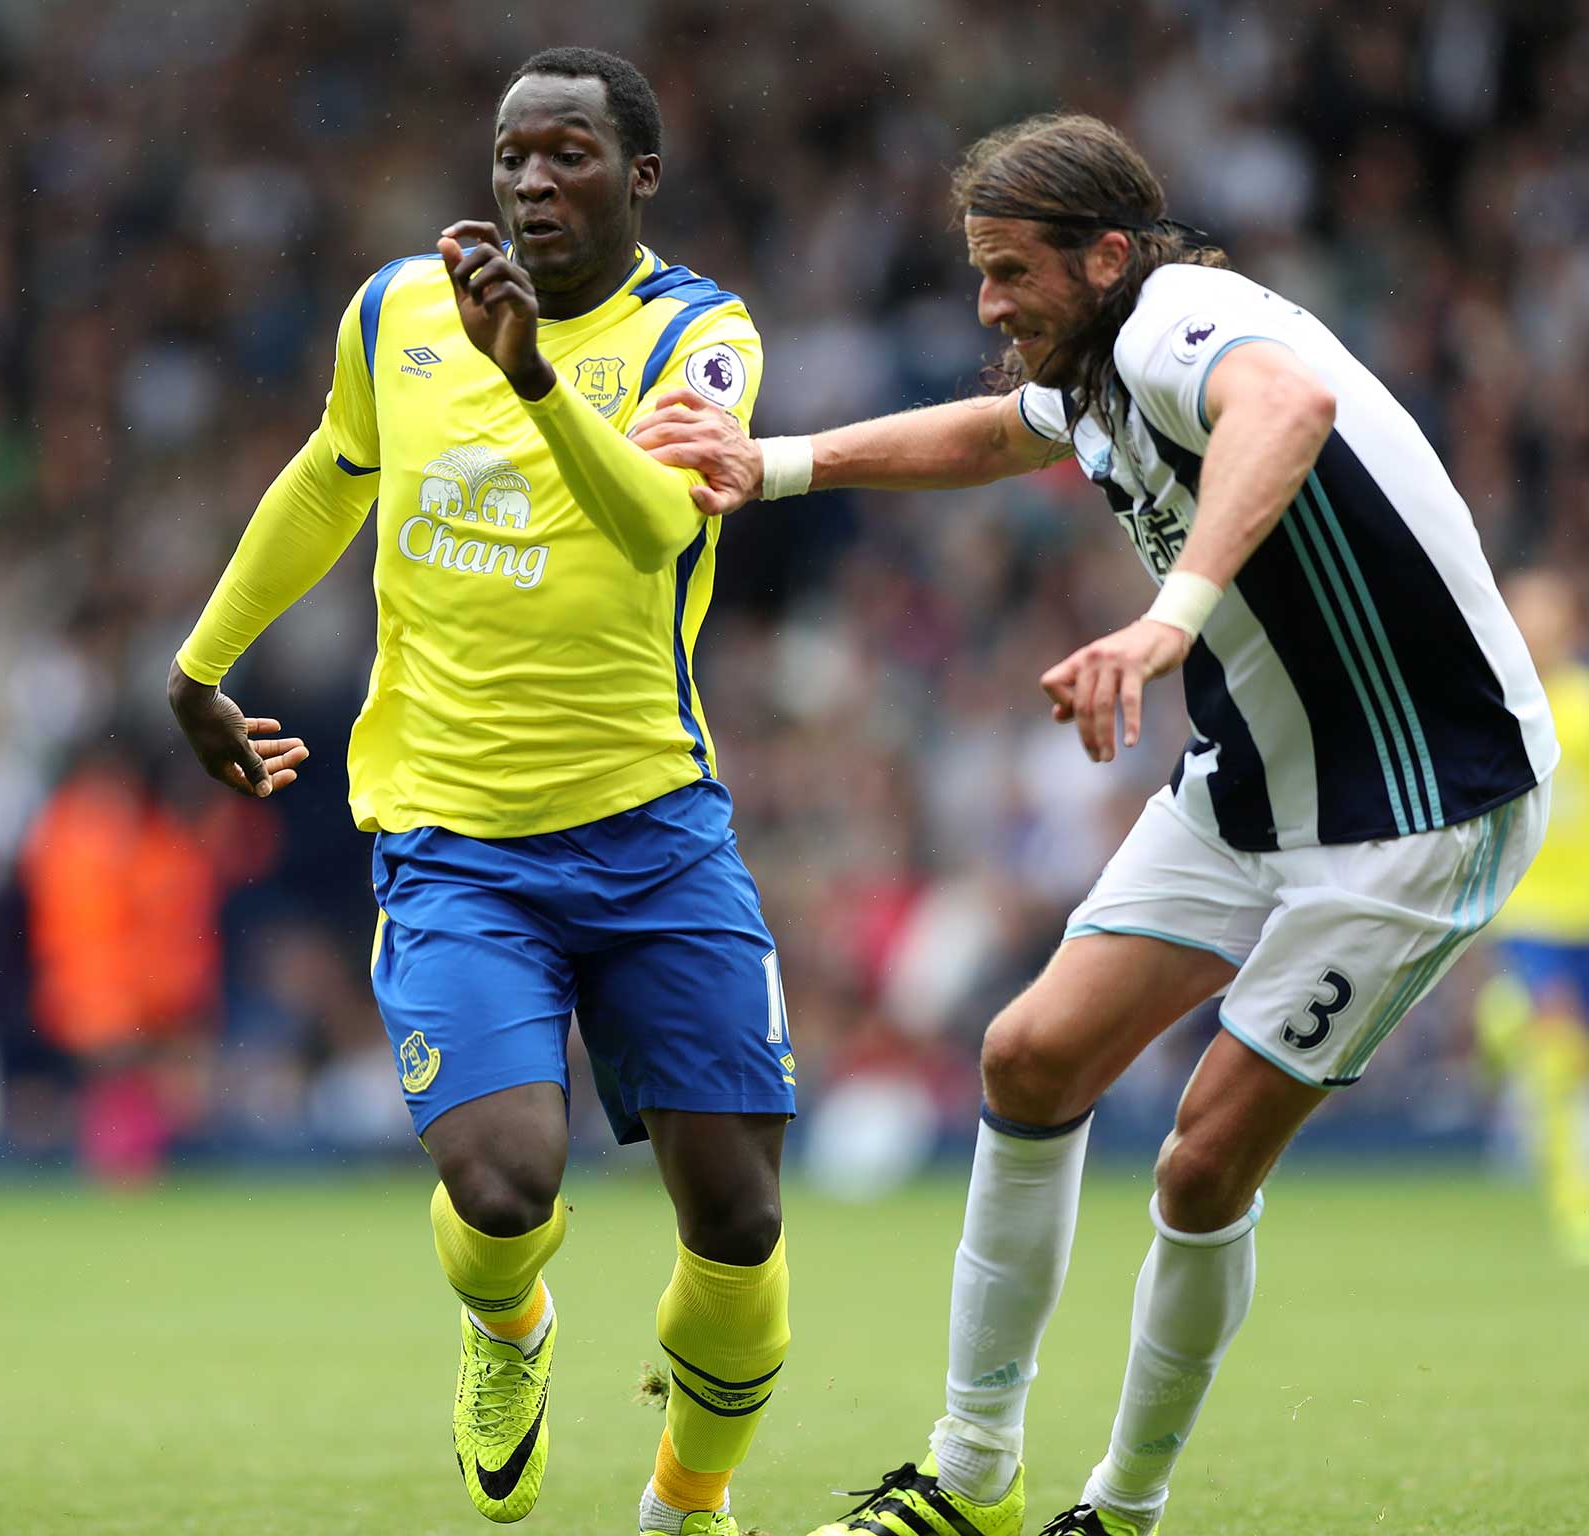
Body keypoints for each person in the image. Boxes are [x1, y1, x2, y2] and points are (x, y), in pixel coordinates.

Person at [631, 112, 1555, 1536]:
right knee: (1029, 1053)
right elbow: (998, 430)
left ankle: (1123, 1507)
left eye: (1011, 274)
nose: (990, 305)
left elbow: (1290, 412)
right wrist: (779, 462)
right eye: (980, 273)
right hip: (1258, 780)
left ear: (1108, 256)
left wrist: (1168, 621)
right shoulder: (1095, 366)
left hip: (1427, 801)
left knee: (1197, 1160)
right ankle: (973, 1475)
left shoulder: (1181, 318)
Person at [168, 47, 793, 1536]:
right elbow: (331, 472)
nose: (527, 181)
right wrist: (200, 668)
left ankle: (685, 1506)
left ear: (639, 175)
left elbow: (655, 524)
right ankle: (507, 1334)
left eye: (566, 153)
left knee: (741, 1219)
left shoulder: (699, 337)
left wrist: (527, 375)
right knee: (506, 1188)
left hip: (652, 831)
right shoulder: (396, 311)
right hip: (456, 844)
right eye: (512, 154)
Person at [1477, 571, 1589, 1263]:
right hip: (1531, 912)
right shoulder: (1498, 703)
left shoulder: (1579, 704)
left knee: (1566, 1051)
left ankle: (1498, 1025)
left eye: (1547, 614)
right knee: (1556, 1042)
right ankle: (1570, 1201)